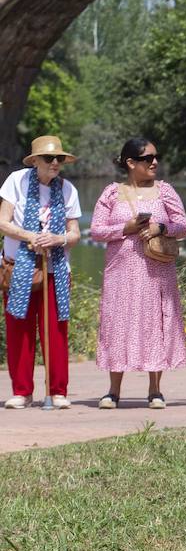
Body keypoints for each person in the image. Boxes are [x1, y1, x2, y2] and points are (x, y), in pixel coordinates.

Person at [89, 139, 186, 410]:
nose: (155, 162)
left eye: (157, 157)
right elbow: (96, 231)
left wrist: (161, 227)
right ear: (131, 163)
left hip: (157, 272)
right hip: (120, 273)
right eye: (148, 158)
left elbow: (183, 225)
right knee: (117, 324)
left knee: (156, 324)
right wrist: (127, 227)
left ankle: (155, 391)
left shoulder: (165, 191)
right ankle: (113, 391)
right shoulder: (111, 193)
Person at [1, 136, 81, 410]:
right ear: (35, 161)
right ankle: (22, 391)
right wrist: (29, 235)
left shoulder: (68, 189)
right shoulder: (16, 181)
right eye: (49, 158)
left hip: (55, 268)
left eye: (60, 158)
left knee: (55, 330)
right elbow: (2, 222)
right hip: (20, 265)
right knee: (19, 329)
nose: (55, 163)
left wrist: (58, 239)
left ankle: (57, 391)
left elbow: (75, 233)